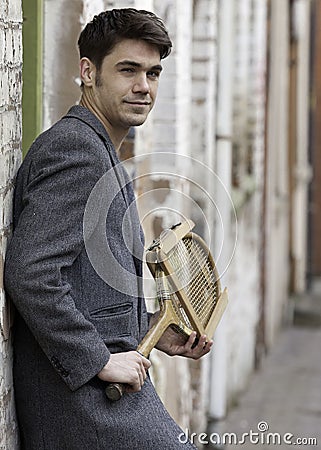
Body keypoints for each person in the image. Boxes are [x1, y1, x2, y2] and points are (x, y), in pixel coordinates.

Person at [4, 8, 213, 449]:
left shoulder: (101, 150)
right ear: (88, 72)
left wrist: (152, 330)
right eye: (128, 70)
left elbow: (85, 286)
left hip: (109, 398)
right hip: (85, 408)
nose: (143, 86)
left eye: (153, 73)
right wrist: (98, 359)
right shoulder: (77, 152)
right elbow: (31, 274)